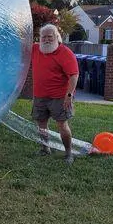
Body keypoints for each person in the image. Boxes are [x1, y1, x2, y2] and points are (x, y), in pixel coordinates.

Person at [31, 24, 79, 164]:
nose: (46, 39)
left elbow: (74, 76)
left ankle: (69, 153)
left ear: (57, 37)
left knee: (62, 125)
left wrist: (69, 96)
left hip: (60, 97)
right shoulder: (35, 49)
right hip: (40, 95)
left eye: (49, 36)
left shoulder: (65, 53)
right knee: (41, 124)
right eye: (43, 37)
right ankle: (45, 148)